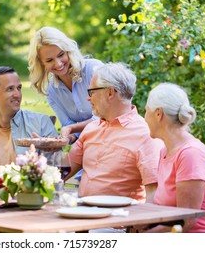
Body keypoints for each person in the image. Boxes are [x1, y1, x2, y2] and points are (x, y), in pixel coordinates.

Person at [143, 83, 205, 232]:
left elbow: (186, 221)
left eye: (146, 111)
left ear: (158, 113)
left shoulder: (191, 154)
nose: (144, 118)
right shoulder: (165, 152)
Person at [65, 62, 163, 203]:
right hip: (82, 215)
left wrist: (140, 224)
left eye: (92, 92)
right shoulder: (92, 128)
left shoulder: (145, 134)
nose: (88, 98)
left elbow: (154, 193)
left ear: (110, 93)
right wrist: (42, 156)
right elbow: (64, 170)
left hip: (118, 221)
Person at [0, 66, 58, 176]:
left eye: (19, 88)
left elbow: (55, 172)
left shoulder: (41, 123)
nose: (17, 94)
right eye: (10, 89)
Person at [28, 26, 104, 143]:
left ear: (68, 50)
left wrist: (71, 128)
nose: (58, 64)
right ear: (41, 63)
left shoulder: (93, 70)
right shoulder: (51, 91)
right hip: (87, 145)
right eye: (49, 60)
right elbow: (68, 125)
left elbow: (105, 116)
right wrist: (65, 138)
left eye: (61, 55)